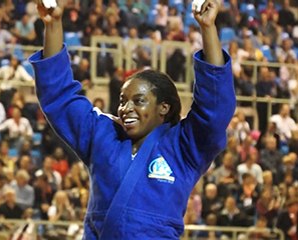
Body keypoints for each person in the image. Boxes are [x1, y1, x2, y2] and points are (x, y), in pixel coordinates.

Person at [30, 0, 235, 238]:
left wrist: (208, 27)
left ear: (163, 108)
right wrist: (53, 24)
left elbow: (215, 108)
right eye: (122, 100)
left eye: (138, 101)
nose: (126, 108)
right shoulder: (102, 136)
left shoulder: (184, 147)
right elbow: (60, 96)